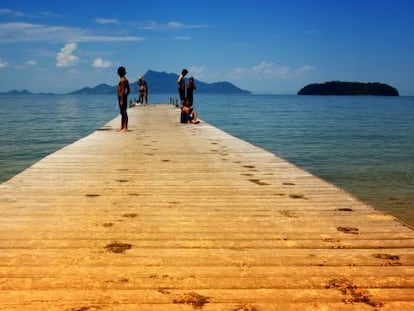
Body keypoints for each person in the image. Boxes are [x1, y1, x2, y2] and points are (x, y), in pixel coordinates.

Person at [117, 66, 130, 132]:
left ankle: (126, 127)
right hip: (122, 97)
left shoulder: (122, 80)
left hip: (121, 97)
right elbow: (128, 90)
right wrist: (126, 96)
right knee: (122, 112)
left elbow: (122, 91)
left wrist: (122, 100)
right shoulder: (125, 80)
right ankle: (122, 127)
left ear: (119, 73)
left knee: (124, 112)